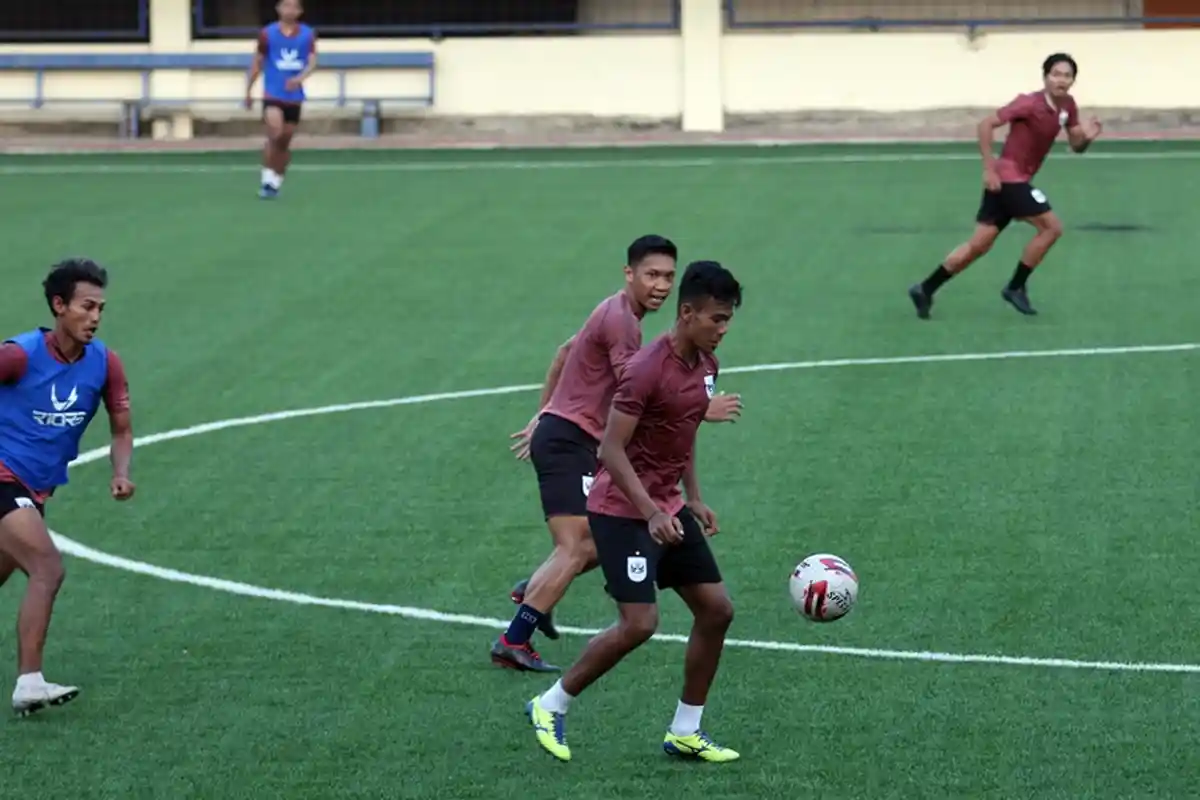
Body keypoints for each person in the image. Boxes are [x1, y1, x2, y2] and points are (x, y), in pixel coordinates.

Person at [491, 238, 743, 673]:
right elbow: (648, 397)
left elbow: (566, 352)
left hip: (574, 436)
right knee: (579, 545)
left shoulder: (619, 313)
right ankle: (514, 637)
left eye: (668, 275)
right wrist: (702, 407)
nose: (661, 285)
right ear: (629, 274)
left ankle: (536, 589)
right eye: (652, 274)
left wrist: (546, 411)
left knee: (599, 536)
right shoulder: (623, 323)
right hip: (571, 441)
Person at [526, 260, 743, 764]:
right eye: (716, 319)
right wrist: (649, 512)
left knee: (717, 610)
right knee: (640, 623)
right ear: (687, 313)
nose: (723, 329)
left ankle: (685, 730)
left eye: (728, 319)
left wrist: (692, 496)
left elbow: (683, 432)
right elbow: (610, 450)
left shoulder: (707, 368)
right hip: (621, 510)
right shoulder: (646, 369)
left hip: (666, 507)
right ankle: (550, 703)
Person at [0, 259, 135, 717]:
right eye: (86, 306)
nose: (94, 317)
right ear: (59, 306)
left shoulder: (104, 363)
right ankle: (30, 683)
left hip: (35, 490)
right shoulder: (18, 355)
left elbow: (121, 429)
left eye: (100, 308)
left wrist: (120, 471)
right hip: (2, 478)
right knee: (47, 568)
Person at [908, 53, 1103, 319]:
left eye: (1067, 75)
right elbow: (986, 124)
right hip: (1010, 178)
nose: (1061, 80)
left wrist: (1088, 138)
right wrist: (989, 168)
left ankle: (925, 288)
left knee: (978, 245)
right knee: (1052, 228)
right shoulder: (1028, 103)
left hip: (1011, 182)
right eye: (1056, 74)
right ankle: (1015, 287)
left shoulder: (1068, 105)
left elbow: (1076, 145)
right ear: (1045, 77)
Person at [244, 0, 317, 199]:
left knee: (284, 142)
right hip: (273, 94)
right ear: (278, 9)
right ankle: (266, 179)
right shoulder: (267, 34)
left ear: (300, 11)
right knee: (275, 133)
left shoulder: (307, 34)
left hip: (294, 98)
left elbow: (312, 62)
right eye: (286, 5)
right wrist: (248, 90)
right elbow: (257, 62)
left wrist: (299, 78)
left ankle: (276, 181)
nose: (290, 10)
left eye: (294, 6)